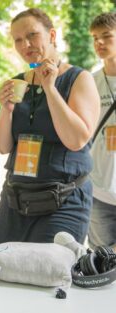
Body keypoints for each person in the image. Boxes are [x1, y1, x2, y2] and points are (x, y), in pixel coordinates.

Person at [0, 8, 100, 245]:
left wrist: (50, 88)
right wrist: (6, 109)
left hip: (63, 201)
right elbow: (2, 146)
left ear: (52, 35)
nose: (25, 44)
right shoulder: (17, 81)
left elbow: (76, 140)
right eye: (18, 40)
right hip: (15, 200)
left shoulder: (79, 79)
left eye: (32, 35)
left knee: (47, 275)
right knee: (0, 271)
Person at [89, 12, 116, 252]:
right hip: (99, 191)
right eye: (95, 37)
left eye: (106, 36)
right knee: (99, 264)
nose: (99, 43)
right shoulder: (90, 81)